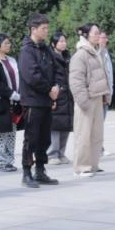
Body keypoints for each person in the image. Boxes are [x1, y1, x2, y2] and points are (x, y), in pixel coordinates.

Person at [19, 13, 61, 188]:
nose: (46, 31)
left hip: (46, 100)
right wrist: (49, 89)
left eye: (47, 28)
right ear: (33, 29)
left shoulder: (46, 49)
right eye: (43, 28)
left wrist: (56, 87)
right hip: (33, 101)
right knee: (32, 138)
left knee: (44, 138)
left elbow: (57, 69)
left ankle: (41, 170)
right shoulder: (27, 50)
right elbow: (32, 76)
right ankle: (27, 172)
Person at [69, 24, 111, 178]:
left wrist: (106, 96)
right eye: (95, 33)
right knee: (83, 135)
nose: (98, 35)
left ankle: (93, 165)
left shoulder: (97, 52)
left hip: (98, 97)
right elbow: (76, 81)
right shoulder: (81, 55)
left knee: (96, 135)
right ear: (86, 35)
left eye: (99, 33)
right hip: (86, 100)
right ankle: (81, 167)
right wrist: (83, 101)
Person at [0, 33, 21, 173]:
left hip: (14, 103)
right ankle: (0, 162)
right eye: (5, 43)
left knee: (11, 133)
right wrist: (13, 95)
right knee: (0, 133)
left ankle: (9, 161)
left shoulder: (11, 60)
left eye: (9, 43)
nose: (8, 45)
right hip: (1, 102)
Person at [47, 31, 73, 165]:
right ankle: (52, 154)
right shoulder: (50, 57)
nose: (63, 43)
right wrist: (52, 97)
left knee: (66, 125)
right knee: (55, 126)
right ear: (53, 44)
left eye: (64, 41)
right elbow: (49, 77)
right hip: (57, 93)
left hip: (68, 94)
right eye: (60, 41)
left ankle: (61, 153)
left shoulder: (68, 57)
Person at [99, 30, 114, 157]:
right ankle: (98, 148)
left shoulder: (106, 53)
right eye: (102, 37)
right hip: (100, 94)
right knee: (97, 124)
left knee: (101, 123)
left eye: (105, 37)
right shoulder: (97, 54)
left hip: (107, 93)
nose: (105, 40)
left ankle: (99, 147)